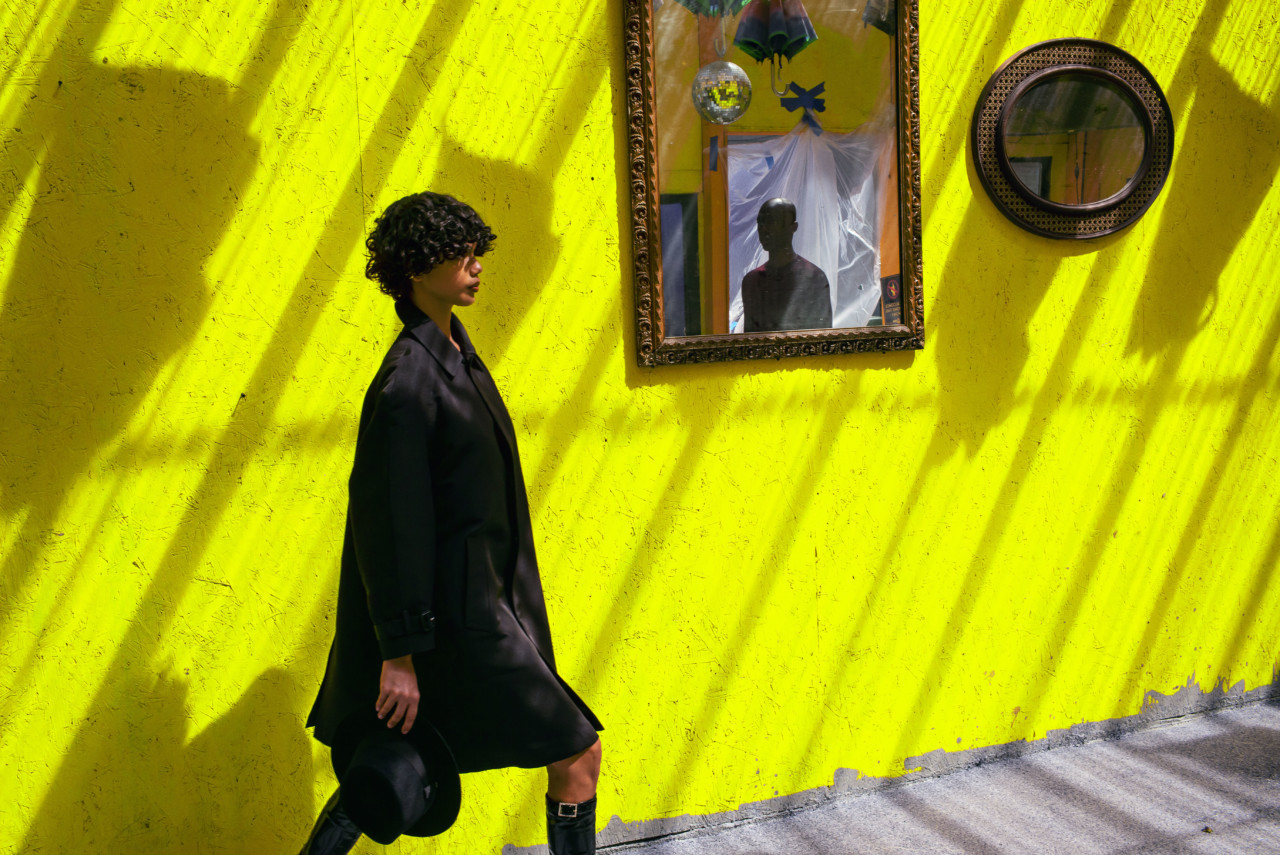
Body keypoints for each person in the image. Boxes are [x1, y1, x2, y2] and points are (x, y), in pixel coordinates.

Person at [300, 192, 604, 855]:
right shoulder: (409, 380)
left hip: (482, 607)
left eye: (476, 251)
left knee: (395, 769)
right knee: (574, 751)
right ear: (415, 268)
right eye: (459, 254)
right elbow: (388, 524)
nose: (476, 264)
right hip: (457, 621)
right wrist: (398, 654)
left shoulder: (456, 353)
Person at [740, 197, 832, 333]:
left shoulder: (814, 278)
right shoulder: (752, 281)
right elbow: (751, 338)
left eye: (772, 222)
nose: (764, 229)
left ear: (793, 227)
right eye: (761, 223)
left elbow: (823, 337)